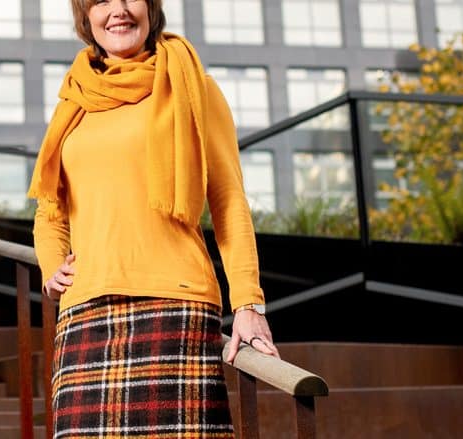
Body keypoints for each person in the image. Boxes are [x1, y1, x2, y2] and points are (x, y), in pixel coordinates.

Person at [27, 0, 278, 437]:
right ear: (85, 16)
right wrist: (52, 266)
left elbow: (228, 201)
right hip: (84, 315)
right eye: (101, 1)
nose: (118, 10)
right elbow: (50, 210)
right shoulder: (75, 100)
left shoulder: (194, 87)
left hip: (175, 307)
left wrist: (249, 305)